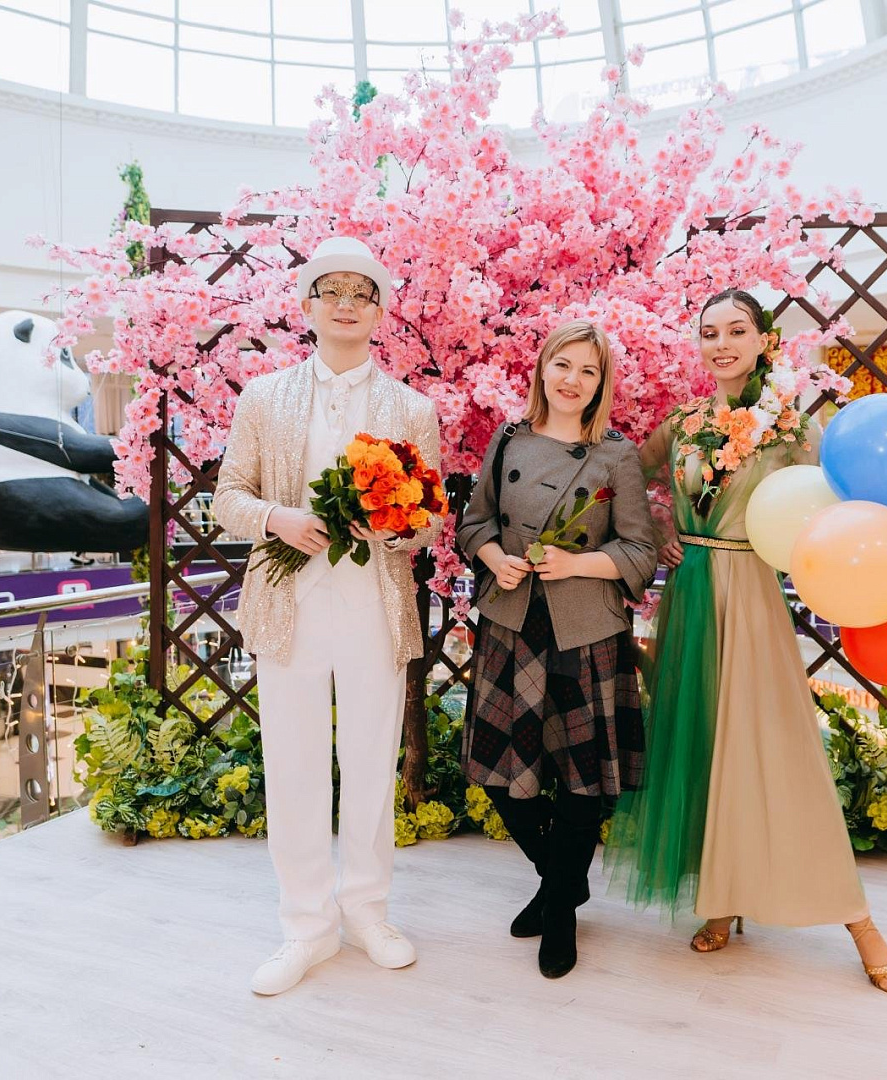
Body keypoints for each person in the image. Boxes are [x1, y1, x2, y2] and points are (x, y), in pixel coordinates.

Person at [605, 288, 887, 993]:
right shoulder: (683, 424)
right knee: (707, 750)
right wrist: (660, 532)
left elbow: (840, 499)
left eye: (736, 330)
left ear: (765, 340)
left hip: (755, 597)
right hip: (691, 594)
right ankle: (722, 897)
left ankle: (858, 920)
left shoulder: (790, 425)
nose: (722, 344)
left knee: (778, 752)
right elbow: (623, 479)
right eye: (709, 332)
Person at [212, 236, 442, 996]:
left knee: (372, 762)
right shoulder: (263, 397)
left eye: (361, 292)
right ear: (307, 306)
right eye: (331, 291)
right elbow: (227, 498)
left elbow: (430, 515)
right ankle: (305, 927)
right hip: (290, 603)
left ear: (379, 311)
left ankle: (368, 912)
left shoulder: (412, 408)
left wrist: (400, 526)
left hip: (374, 601)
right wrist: (277, 518)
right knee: (295, 764)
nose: (346, 304)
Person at [458, 320, 657, 979]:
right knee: (501, 775)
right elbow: (475, 521)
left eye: (588, 371)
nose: (573, 380)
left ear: (601, 384)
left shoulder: (615, 455)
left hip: (585, 629)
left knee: (579, 778)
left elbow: (640, 549)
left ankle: (560, 913)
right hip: (511, 620)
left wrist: (577, 565)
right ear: (542, 368)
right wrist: (495, 557)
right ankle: (562, 882)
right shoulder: (508, 438)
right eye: (563, 365)